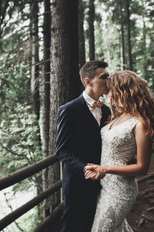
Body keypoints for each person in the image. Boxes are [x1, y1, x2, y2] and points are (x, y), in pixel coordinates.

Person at [84, 70, 154, 232]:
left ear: (122, 92)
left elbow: (142, 167)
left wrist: (105, 169)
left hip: (120, 190)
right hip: (104, 186)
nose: (108, 94)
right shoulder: (117, 116)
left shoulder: (140, 123)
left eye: (111, 90)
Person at [56, 60, 111, 232]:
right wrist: (86, 168)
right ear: (88, 81)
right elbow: (62, 151)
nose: (108, 81)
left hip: (102, 182)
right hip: (76, 183)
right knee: (71, 227)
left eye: (108, 77)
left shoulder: (107, 111)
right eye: (103, 77)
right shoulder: (68, 110)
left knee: (92, 225)